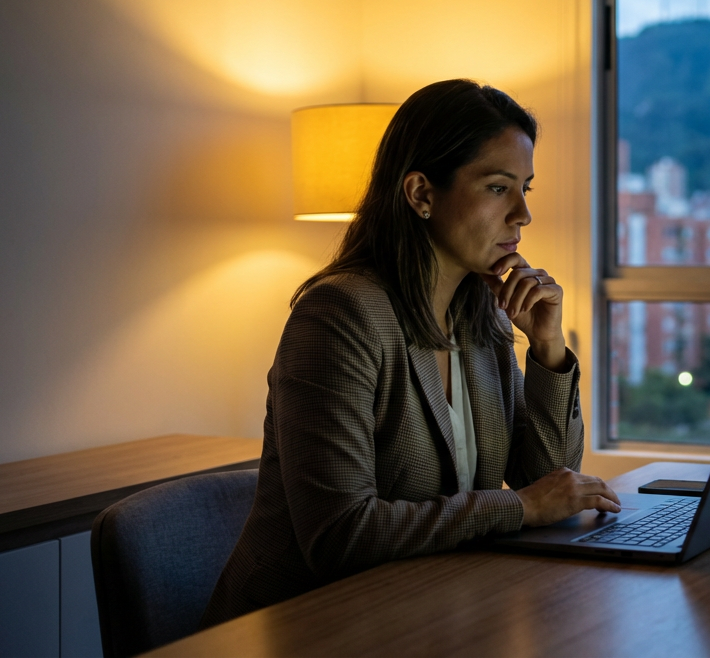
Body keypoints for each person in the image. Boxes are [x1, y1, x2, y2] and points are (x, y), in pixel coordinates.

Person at [202, 79, 621, 627]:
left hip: (429, 611)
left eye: (526, 189)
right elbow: (341, 536)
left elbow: (549, 479)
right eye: (498, 188)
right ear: (422, 193)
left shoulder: (483, 315)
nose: (522, 214)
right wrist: (518, 508)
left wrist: (546, 348)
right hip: (311, 625)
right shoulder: (338, 317)